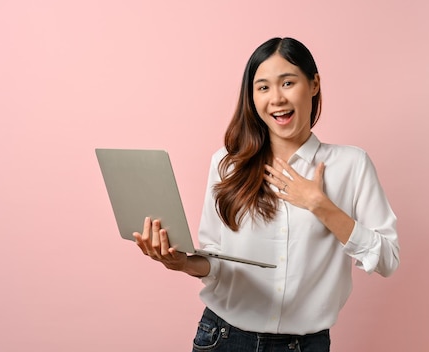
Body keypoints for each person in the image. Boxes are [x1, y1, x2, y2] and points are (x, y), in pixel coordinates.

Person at [133, 37, 400, 352]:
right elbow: (216, 260)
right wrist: (181, 262)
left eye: (287, 82)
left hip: (305, 345)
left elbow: (387, 259)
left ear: (314, 84)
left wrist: (319, 205)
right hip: (223, 338)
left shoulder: (351, 165)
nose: (276, 98)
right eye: (263, 87)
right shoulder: (227, 163)